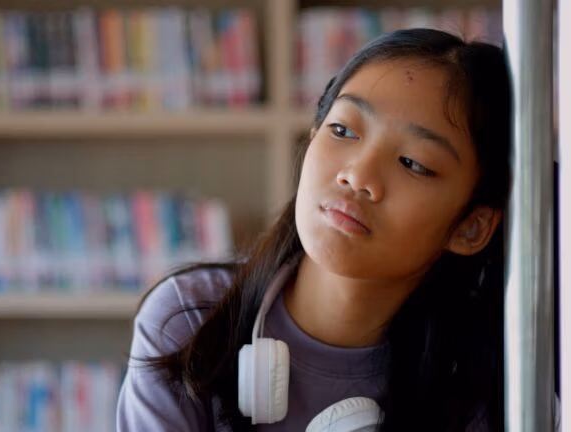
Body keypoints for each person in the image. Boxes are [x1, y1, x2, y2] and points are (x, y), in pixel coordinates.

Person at [117, 28, 515, 431]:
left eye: (413, 162)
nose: (357, 175)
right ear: (311, 139)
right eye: (343, 130)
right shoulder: (192, 319)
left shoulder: (480, 394)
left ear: (471, 227)